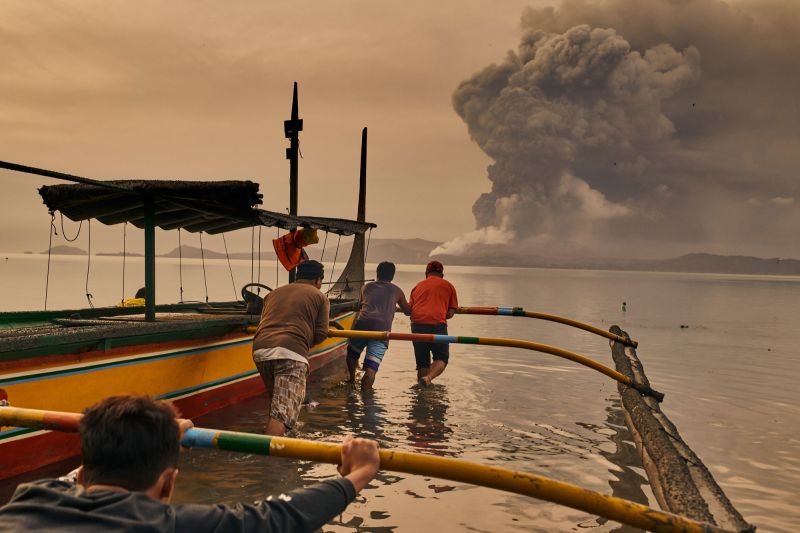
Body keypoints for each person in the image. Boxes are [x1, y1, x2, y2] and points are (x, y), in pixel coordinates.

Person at [0, 395, 380, 532]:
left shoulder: (28, 498)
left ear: (83, 473)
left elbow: (73, 477)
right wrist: (359, 473)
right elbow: (278, 518)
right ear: (168, 484)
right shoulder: (167, 524)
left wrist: (163, 432)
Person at [252, 260, 329, 436]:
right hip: (291, 354)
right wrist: (302, 342)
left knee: (276, 407)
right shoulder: (320, 297)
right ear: (318, 280)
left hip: (260, 351)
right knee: (281, 416)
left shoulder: (273, 294)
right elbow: (321, 333)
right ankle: (271, 460)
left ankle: (274, 445)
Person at [347, 261, 411, 390]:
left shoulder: (365, 287)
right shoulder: (397, 291)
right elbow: (408, 311)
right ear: (392, 276)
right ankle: (365, 395)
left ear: (377, 273)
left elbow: (361, 304)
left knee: (351, 354)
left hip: (362, 325)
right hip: (381, 330)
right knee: (371, 368)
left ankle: (352, 380)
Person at [409, 261, 458, 387]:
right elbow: (450, 314)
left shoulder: (417, 286)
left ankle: (421, 398)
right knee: (442, 358)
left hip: (417, 325)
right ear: (442, 274)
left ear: (426, 274)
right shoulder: (449, 286)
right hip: (437, 325)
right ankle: (428, 378)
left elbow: (410, 309)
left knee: (422, 363)